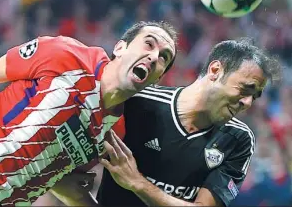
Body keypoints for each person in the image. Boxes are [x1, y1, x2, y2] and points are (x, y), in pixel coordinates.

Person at [0, 21, 177, 206]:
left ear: (160, 77)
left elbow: (63, 183)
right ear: (120, 47)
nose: (154, 57)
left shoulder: (114, 133)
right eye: (149, 45)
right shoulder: (66, 54)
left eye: (164, 57)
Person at [49, 38, 281, 207]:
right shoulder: (138, 103)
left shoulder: (238, 139)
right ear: (215, 70)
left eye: (256, 96)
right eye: (245, 89)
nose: (248, 102)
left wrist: (137, 183)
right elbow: (63, 176)